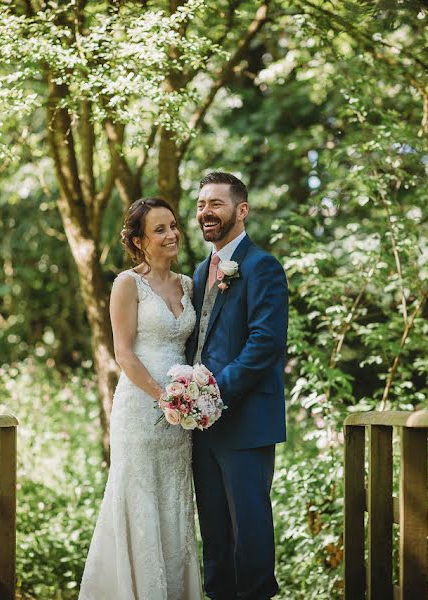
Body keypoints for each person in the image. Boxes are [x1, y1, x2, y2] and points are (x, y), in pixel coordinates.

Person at [79, 198, 203, 600]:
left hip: (179, 418)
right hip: (140, 408)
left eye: (173, 226)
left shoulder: (188, 285)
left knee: (174, 503)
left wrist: (190, 397)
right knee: (139, 500)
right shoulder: (127, 284)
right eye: (160, 230)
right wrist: (164, 396)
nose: (172, 235)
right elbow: (124, 353)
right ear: (139, 241)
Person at [187, 172, 289, 600]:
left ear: (241, 210)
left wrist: (211, 394)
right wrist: (187, 400)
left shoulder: (262, 266)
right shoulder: (198, 271)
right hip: (200, 427)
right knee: (213, 534)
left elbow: (264, 344)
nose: (205, 212)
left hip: (245, 424)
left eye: (216, 204)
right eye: (200, 204)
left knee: (249, 533)